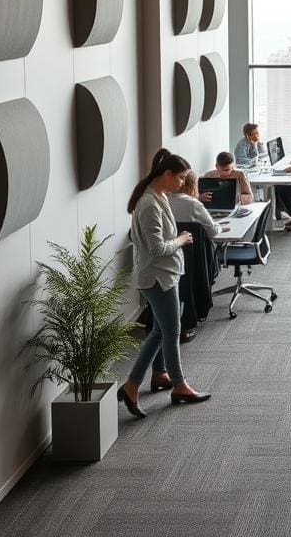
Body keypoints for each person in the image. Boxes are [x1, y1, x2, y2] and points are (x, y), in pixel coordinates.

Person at [117, 149, 211, 419]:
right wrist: (182, 239)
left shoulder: (159, 195)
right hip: (158, 278)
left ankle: (135, 384)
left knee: (160, 331)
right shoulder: (148, 204)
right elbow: (157, 247)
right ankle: (179, 385)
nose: (183, 183)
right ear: (167, 174)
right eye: (180, 178)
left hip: (164, 274)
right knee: (172, 331)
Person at [167, 170, 229, 239]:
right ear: (193, 186)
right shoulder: (194, 204)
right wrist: (219, 227)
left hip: (173, 246)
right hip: (195, 247)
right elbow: (212, 232)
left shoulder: (164, 200)